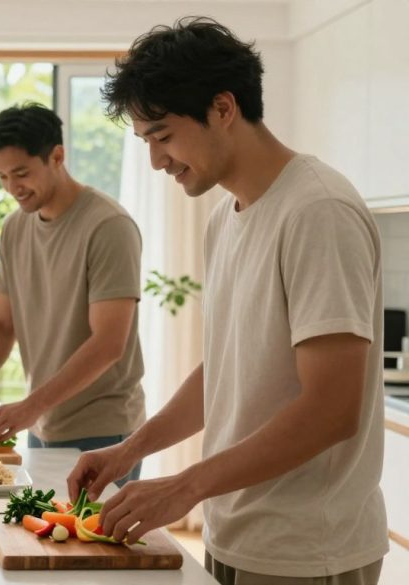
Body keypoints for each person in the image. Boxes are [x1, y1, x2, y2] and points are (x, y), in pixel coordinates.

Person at [66, 17, 387, 585]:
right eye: (146, 142)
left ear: (222, 108)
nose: (157, 161)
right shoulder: (226, 217)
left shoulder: (317, 211)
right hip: (236, 533)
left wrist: (184, 486)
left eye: (163, 136)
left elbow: (333, 410)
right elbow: (229, 370)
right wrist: (129, 451)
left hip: (309, 551)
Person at [0, 103, 146, 482]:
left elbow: (109, 343)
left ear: (57, 156)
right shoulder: (15, 228)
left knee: (93, 541)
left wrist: (31, 406)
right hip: (42, 426)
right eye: (2, 176)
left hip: (104, 430)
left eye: (21, 173)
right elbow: (3, 324)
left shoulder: (108, 226)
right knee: (45, 537)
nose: (11, 187)